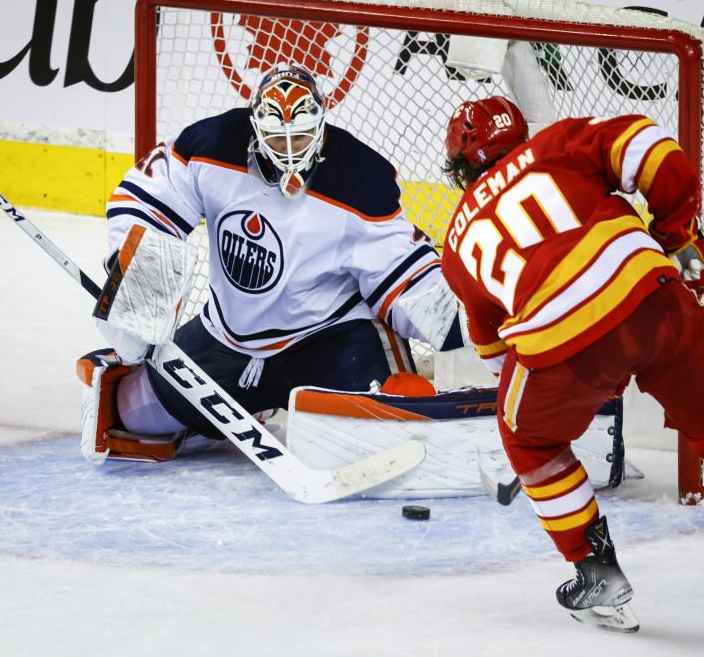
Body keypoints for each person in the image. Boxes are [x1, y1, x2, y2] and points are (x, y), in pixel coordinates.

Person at [439, 96, 704, 638]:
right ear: (520, 133)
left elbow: (495, 353)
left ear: (463, 167)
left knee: (526, 439)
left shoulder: (455, 243)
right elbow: (653, 149)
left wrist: (573, 389)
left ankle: (596, 571)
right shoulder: (558, 141)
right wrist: (675, 234)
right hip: (653, 297)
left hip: (561, 348)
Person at [77, 63, 465, 463]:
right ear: (256, 127)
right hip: (229, 338)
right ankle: (249, 403)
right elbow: (144, 201)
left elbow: (401, 272)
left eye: (300, 136)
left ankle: (321, 396)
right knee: (132, 415)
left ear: (320, 124)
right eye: (279, 140)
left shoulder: (359, 179)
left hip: (332, 338)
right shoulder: (211, 145)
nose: (291, 150)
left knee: (386, 435)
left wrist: (460, 326)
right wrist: (137, 291)